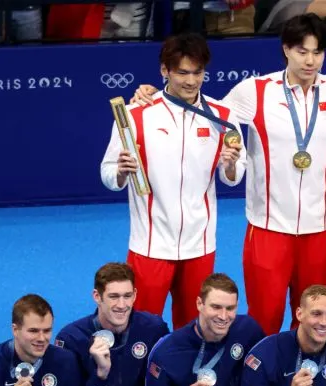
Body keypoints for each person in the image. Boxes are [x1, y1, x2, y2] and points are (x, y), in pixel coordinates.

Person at [133, 16, 326, 336]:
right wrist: (156, 95)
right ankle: (260, 381)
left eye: (317, 52)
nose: (310, 60)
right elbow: (205, 110)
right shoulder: (256, 91)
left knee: (313, 316)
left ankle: (307, 377)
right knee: (265, 317)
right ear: (286, 50)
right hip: (268, 227)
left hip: (320, 227)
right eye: (302, 51)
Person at [101, 32, 246, 329]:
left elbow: (234, 176)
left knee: (195, 328)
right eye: (182, 72)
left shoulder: (223, 117)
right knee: (141, 328)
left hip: (200, 244)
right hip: (150, 245)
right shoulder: (135, 113)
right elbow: (107, 171)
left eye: (197, 72)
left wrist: (231, 166)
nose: (191, 81)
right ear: (164, 71)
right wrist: (120, 172)